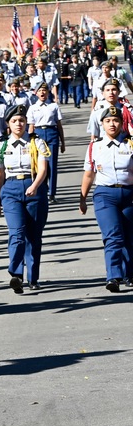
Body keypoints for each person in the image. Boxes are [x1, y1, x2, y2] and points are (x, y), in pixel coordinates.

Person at [0, 105, 50, 294]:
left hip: (34, 188)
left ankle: (33, 278)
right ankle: (16, 274)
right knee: (16, 232)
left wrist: (34, 186)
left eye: (22, 120)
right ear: (8, 124)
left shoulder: (36, 142)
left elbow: (42, 168)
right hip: (11, 190)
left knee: (33, 236)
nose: (19, 124)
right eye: (14, 121)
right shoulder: (2, 145)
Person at [79, 105, 133, 292]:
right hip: (105, 195)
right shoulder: (95, 146)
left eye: (116, 120)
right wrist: (82, 197)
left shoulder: (130, 143)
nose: (112, 124)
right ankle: (113, 276)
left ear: (122, 123)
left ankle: (129, 274)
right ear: (102, 124)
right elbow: (88, 174)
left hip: (128, 193)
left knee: (129, 236)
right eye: (108, 121)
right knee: (113, 236)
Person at [26, 82, 65, 204]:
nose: (42, 93)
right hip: (38, 134)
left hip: (52, 133)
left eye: (45, 90)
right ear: (36, 93)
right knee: (39, 165)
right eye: (40, 90)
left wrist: (62, 142)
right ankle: (41, 189)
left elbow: (59, 125)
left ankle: (52, 193)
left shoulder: (53, 106)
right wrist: (29, 142)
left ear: (48, 92)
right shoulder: (32, 108)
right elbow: (31, 126)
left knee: (52, 165)